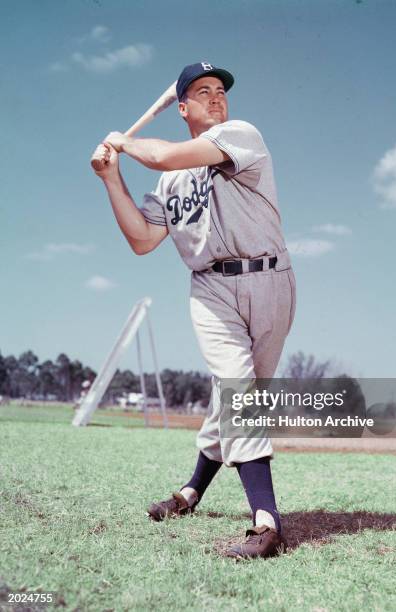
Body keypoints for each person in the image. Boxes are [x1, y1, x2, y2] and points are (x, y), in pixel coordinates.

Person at [91, 62, 296, 558]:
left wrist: (123, 140)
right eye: (203, 92)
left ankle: (191, 492)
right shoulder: (168, 185)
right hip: (211, 288)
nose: (217, 96)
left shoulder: (241, 135)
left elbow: (162, 155)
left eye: (221, 89)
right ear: (181, 108)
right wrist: (110, 177)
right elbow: (142, 240)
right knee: (239, 391)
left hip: (273, 280)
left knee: (235, 398)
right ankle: (266, 522)